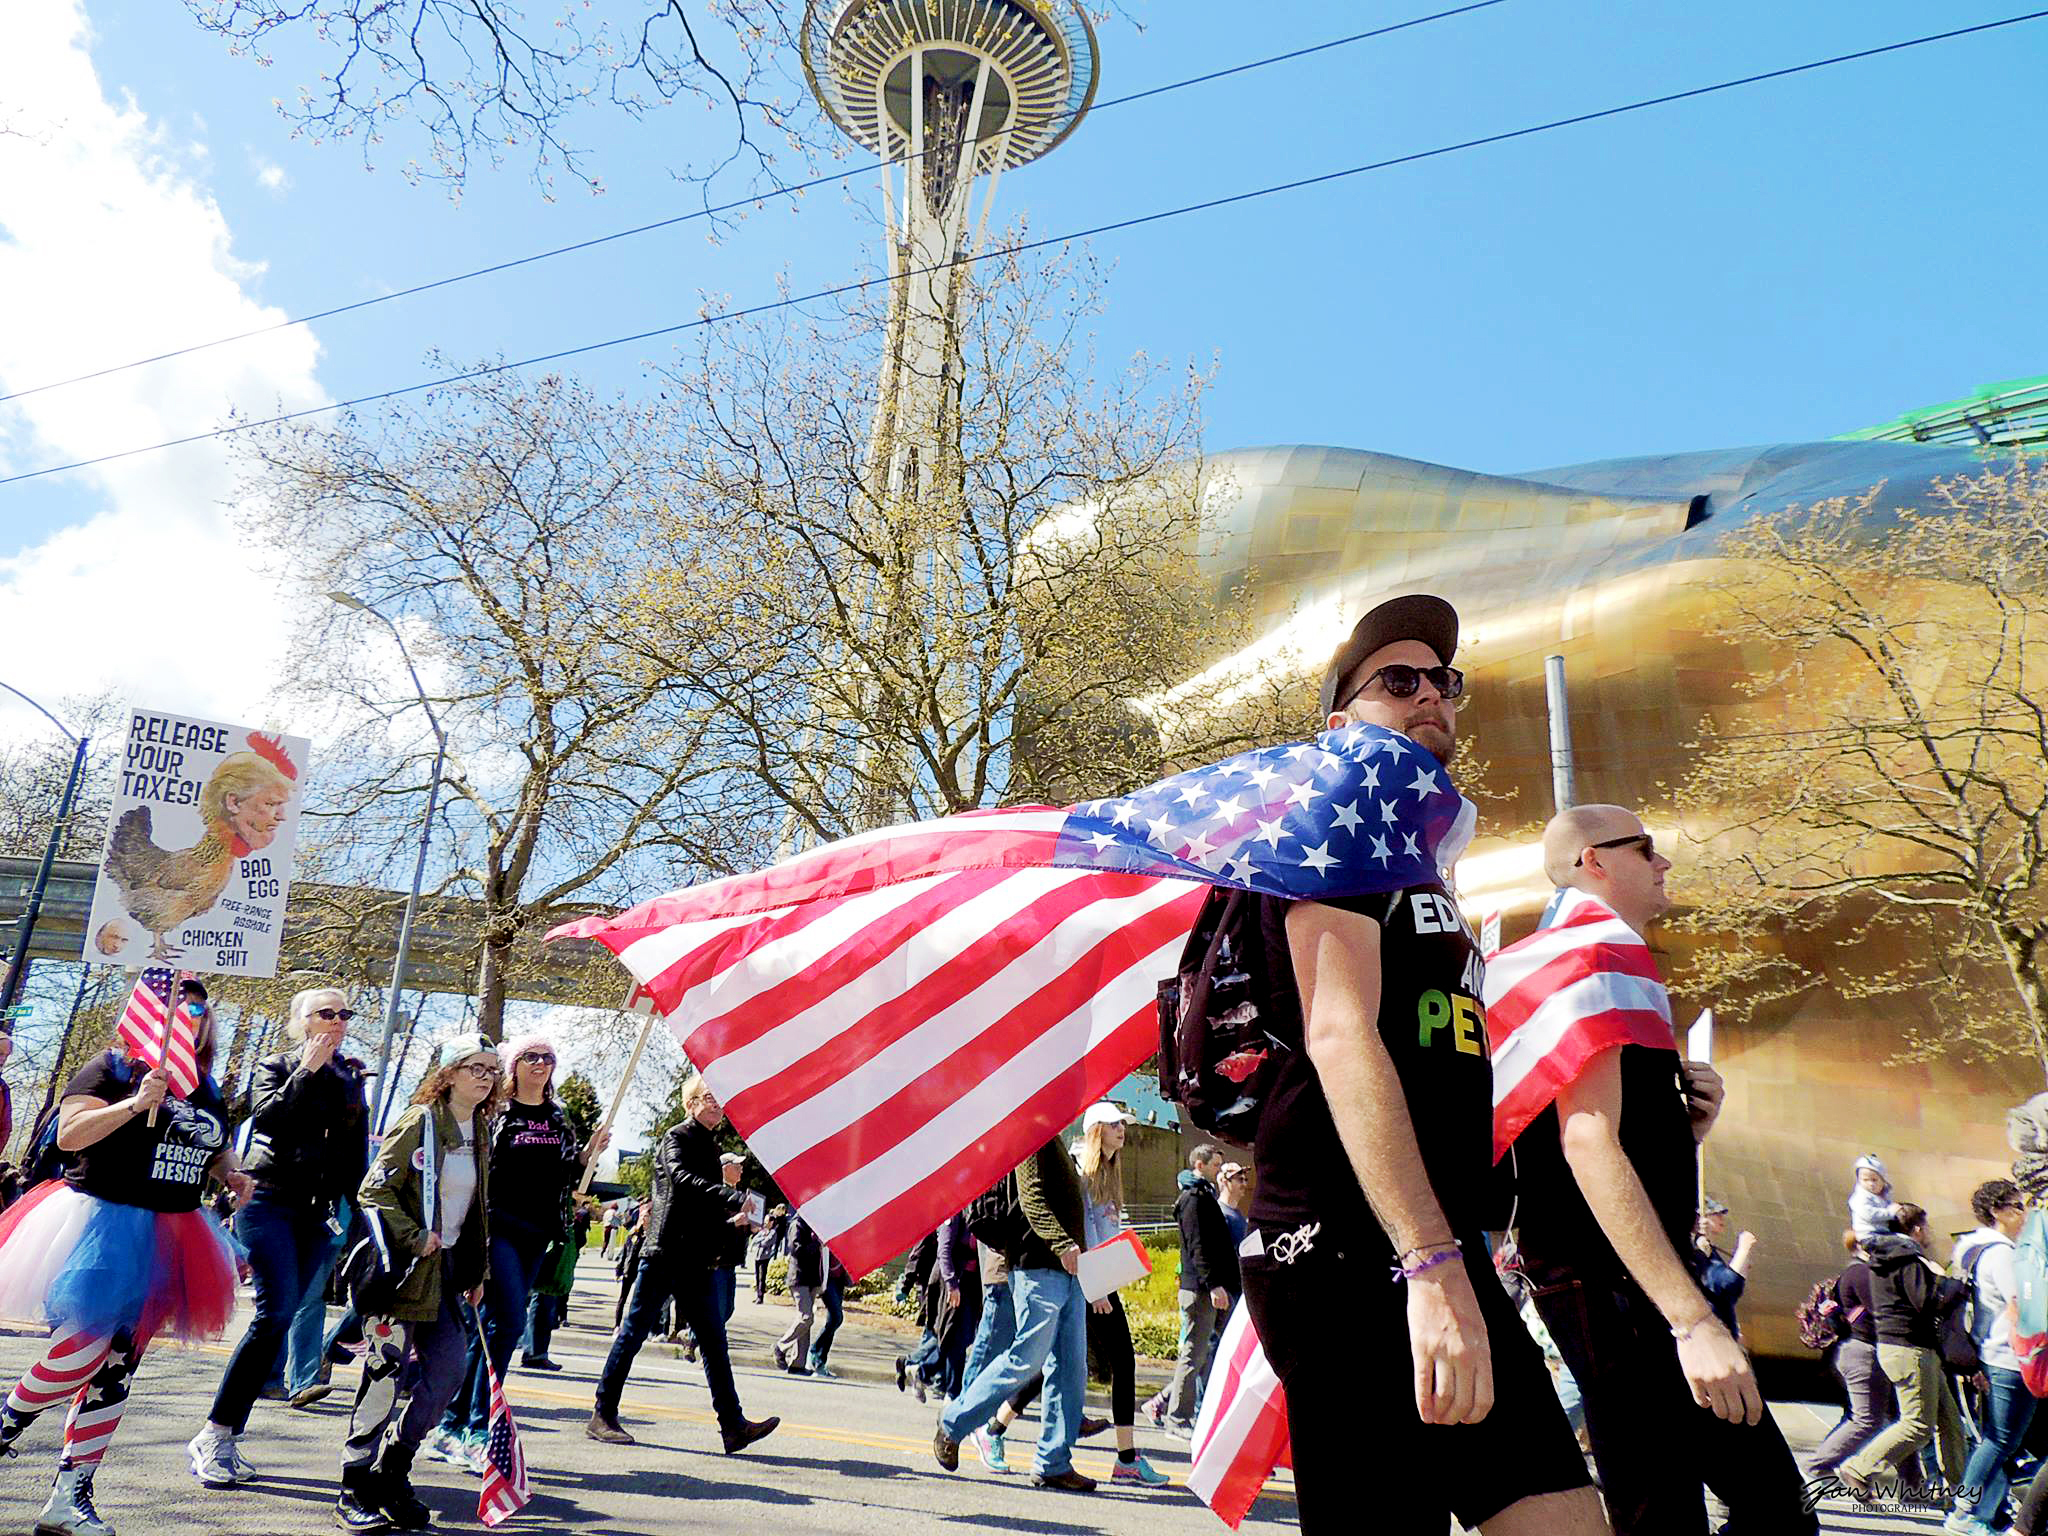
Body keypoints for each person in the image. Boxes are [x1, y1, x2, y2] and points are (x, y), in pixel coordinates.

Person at [1238, 595, 1604, 1534]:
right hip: (1350, 1249)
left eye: (1443, 679)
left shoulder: (1418, 853)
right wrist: (1431, 1265)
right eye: (1397, 680)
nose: (1430, 693)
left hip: (1431, 1244)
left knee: (1567, 1521)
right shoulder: (1340, 811)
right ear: (1339, 725)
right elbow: (1339, 1035)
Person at [1504, 801, 1811, 1535]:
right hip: (1615, 1288)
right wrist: (1692, 1321)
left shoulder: (1597, 954)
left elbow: (1598, 1140)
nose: (1664, 861)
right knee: (1720, 1510)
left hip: (1623, 1282)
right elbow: (1586, 1144)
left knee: (1743, 1508)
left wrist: (1684, 1132)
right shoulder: (1590, 955)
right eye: (1644, 847)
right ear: (1594, 862)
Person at [0, 1000, 244, 1536]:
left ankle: (69, 1498)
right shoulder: (111, 1067)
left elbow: (212, 1148)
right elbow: (69, 1135)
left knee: (115, 1371)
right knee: (80, 1354)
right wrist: (135, 1104)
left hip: (172, 1234)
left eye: (200, 1005)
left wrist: (232, 1172)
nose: (191, 1012)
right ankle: (6, 1420)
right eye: (179, 1001)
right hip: (101, 1225)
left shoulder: (205, 1086)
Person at [191, 985, 370, 1484]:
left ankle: (227, 1435)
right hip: (267, 1200)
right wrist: (306, 1071)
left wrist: (362, 1216)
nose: (337, 1021)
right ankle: (215, 1433)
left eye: (344, 1014)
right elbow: (268, 1119)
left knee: (286, 1313)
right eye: (325, 1013)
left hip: (317, 1213)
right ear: (301, 1021)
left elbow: (354, 1153)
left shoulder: (350, 1077)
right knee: (275, 1313)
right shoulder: (278, 1065)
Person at [333, 1034, 500, 1533]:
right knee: (383, 1377)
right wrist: (412, 1235)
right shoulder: (421, 1121)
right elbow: (374, 1190)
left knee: (448, 1373)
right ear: (449, 1073)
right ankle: (353, 1485)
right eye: (475, 1067)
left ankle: (393, 1468)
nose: (485, 1077)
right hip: (402, 1273)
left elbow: (476, 1210)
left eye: (492, 1069)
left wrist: (477, 1271)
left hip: (446, 1275)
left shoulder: (481, 1130)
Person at [427, 1031, 607, 1471]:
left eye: (547, 1057)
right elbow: (480, 1168)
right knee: (508, 1323)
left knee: (491, 1330)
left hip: (538, 1232)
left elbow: (566, 1172)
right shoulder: (497, 1114)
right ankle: (477, 1429)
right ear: (514, 1066)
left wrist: (587, 1156)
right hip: (498, 1228)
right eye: (531, 1056)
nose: (540, 1063)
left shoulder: (559, 1117)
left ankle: (450, 1426)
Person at [587, 1074, 778, 1454]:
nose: (716, 1104)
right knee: (633, 1333)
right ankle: (602, 1414)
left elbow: (700, 1206)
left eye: (719, 1098)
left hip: (697, 1258)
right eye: (708, 1097)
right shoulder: (677, 1137)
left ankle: (733, 1425)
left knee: (714, 1341)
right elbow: (680, 1178)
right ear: (690, 1104)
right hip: (666, 1252)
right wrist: (729, 1195)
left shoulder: (709, 1143)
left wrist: (731, 1221)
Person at [934, 1137, 1098, 1493]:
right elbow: (1031, 1197)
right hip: (1037, 1265)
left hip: (1070, 1271)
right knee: (1027, 1359)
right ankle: (952, 1423)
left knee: (1070, 1369)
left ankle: (1053, 1463)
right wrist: (1061, 1243)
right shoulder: (1033, 1136)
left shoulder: (1054, 1138)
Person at [1837, 1204, 1967, 1499]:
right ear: (1917, 1230)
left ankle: (1958, 1490)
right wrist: (1950, 1284)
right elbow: (1927, 1302)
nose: (1930, 1233)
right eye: (1927, 1227)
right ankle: (1859, 1468)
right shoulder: (1907, 1259)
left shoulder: (1886, 1257)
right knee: (1918, 1425)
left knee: (1949, 1421)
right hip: (1911, 1348)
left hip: (1904, 1347)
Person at [1074, 1103, 1168, 1487]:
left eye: (1123, 1124)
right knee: (1118, 1362)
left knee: (1066, 1364)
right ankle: (1126, 1460)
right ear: (1097, 1130)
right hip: (1090, 1283)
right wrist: (1097, 1285)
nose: (1121, 1130)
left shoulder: (1110, 1173)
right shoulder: (1085, 1174)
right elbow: (1084, 1234)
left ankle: (1126, 1458)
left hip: (1103, 1281)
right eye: (1114, 1125)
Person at [1946, 1180, 2031, 1535]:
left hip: (1988, 1353)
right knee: (2000, 1441)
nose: (2025, 1214)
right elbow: (2020, 1304)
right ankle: (1964, 1514)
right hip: (2009, 1356)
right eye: (2018, 1206)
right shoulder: (2001, 1254)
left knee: (1999, 1440)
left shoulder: (1970, 1248)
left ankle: (1985, 1513)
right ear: (1997, 1211)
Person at [1147, 1145, 1236, 1436]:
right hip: (1199, 1290)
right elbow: (1199, 1247)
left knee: (1205, 1354)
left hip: (1207, 1288)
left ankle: (1180, 1410)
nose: (1218, 1170)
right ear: (1200, 1164)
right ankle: (1177, 1419)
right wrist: (1213, 1285)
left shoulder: (1203, 1196)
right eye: (1215, 1165)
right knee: (1194, 1355)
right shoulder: (1193, 1199)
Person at [1808, 1231, 1886, 1478]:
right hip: (1861, 1352)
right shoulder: (1860, 1273)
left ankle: (1912, 1487)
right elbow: (1878, 1312)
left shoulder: (1855, 1272)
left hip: (1857, 1352)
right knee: (1867, 1419)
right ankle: (1819, 1466)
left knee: (1890, 1419)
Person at [1691, 1197, 1756, 1339]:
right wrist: (1743, 1249)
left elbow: (1729, 1296)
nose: (1721, 1217)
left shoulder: (1708, 1250)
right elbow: (1726, 1284)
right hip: (1710, 1334)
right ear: (1700, 1218)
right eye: (1715, 1213)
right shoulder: (1697, 1251)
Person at [775, 1214, 824, 1376]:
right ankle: (780, 1346)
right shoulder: (797, 1224)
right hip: (799, 1277)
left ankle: (797, 1363)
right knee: (805, 1317)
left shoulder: (815, 1223)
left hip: (812, 1278)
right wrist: (816, 1244)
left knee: (806, 1322)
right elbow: (796, 1249)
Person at [809, 1248, 850, 1377]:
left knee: (833, 1321)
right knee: (837, 1318)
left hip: (839, 1279)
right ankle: (814, 1350)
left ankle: (820, 1363)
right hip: (827, 1279)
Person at [1851, 1155, 1904, 1243]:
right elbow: (1868, 1214)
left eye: (1874, 1180)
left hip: (1883, 1233)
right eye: (1865, 1180)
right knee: (1903, 1244)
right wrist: (1889, 1212)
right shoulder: (1860, 1197)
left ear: (1883, 1180)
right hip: (1869, 1235)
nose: (1871, 1184)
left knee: (1906, 1239)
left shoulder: (1884, 1196)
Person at [752, 1205, 787, 1304]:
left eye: (767, 1221)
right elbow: (754, 1240)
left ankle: (760, 1296)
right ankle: (757, 1295)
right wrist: (761, 1238)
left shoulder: (773, 1232)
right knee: (757, 1276)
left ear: (771, 1222)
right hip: (757, 1256)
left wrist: (761, 1240)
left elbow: (766, 1242)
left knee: (762, 1277)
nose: (765, 1223)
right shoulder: (762, 1231)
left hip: (764, 1257)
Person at [1217, 1161, 1251, 1249]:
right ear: (1225, 1182)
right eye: (1240, 1180)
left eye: (1245, 1180)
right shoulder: (1219, 1213)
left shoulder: (1237, 1212)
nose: (1244, 1184)